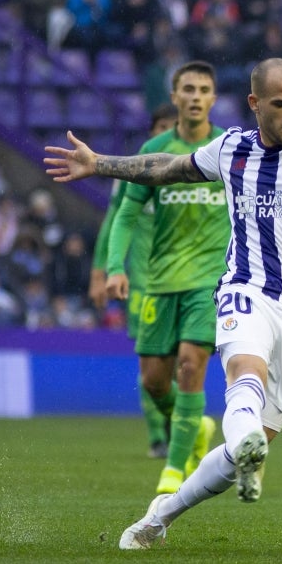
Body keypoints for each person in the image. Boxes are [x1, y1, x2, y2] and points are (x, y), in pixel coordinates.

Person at [44, 57, 282, 549]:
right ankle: (243, 451)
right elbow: (166, 168)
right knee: (243, 369)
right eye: (281, 104)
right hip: (246, 290)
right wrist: (100, 164)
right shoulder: (232, 149)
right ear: (255, 103)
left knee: (246, 444)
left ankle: (161, 515)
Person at [106, 60, 226, 494]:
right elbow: (126, 214)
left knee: (191, 366)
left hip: (210, 280)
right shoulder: (154, 149)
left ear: (214, 99)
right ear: (174, 97)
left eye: (203, 89)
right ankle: (195, 429)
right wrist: (116, 267)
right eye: (187, 89)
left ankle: (174, 471)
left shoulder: (228, 150)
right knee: (154, 381)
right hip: (159, 280)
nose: (195, 97)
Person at [89, 102, 178, 459]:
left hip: (187, 282)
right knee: (150, 361)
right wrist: (102, 270)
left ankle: (178, 420)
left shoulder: (194, 170)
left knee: (182, 361)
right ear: (152, 132)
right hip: (144, 283)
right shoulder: (134, 173)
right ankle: (159, 434)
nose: (167, 134)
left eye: (173, 127)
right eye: (161, 128)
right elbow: (114, 222)